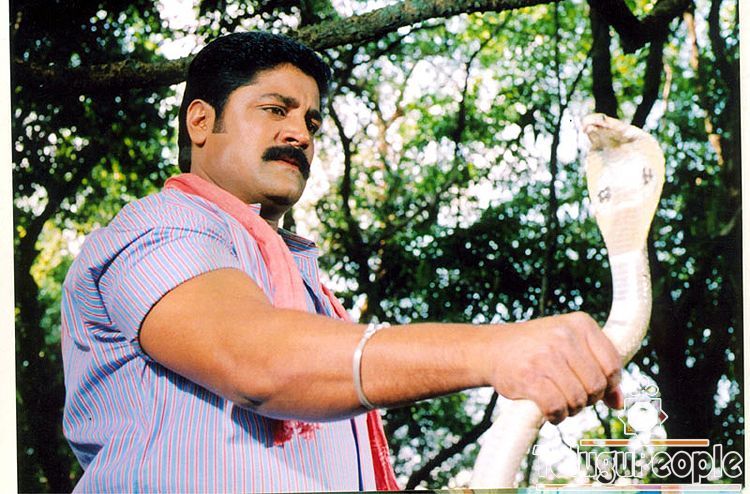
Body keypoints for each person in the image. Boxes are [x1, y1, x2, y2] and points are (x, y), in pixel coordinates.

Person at [60, 31, 624, 493]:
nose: (299, 134)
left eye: (311, 123)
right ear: (201, 122)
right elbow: (258, 361)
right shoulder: (160, 226)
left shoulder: (305, 293)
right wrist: (494, 349)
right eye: (275, 109)